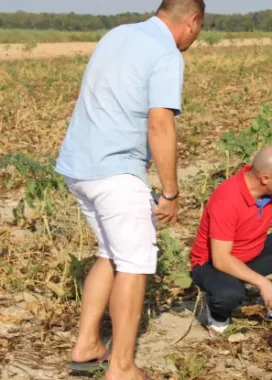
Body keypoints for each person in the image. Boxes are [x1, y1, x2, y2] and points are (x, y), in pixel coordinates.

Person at [54, 1, 205, 379]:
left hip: (79, 166)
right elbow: (160, 125)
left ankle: (87, 344)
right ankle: (121, 366)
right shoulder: (166, 54)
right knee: (136, 264)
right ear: (193, 21)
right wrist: (170, 193)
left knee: (111, 253)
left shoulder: (117, 34)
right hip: (116, 172)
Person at [190, 146, 272, 336]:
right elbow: (221, 259)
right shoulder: (228, 198)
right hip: (213, 264)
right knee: (229, 295)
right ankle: (217, 313)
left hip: (252, 253)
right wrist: (263, 283)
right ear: (265, 179)